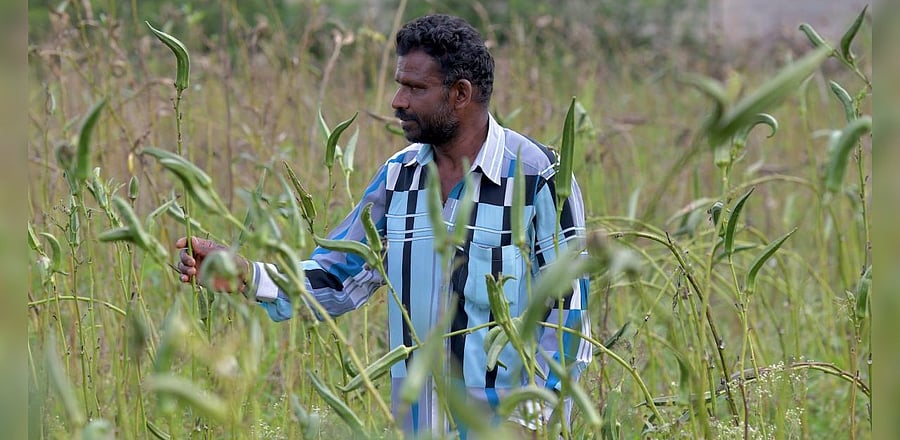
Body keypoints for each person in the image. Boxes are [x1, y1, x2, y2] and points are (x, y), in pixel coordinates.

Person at [176, 14, 592, 438]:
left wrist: (528, 424)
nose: (397, 100)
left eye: (415, 88)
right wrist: (247, 274)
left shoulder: (539, 178)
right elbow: (338, 276)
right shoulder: (399, 177)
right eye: (400, 85)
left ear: (460, 94)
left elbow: (569, 318)